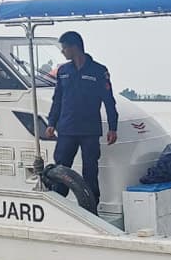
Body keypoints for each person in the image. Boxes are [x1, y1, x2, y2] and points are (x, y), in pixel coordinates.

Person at [44, 31, 118, 202]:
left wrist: (113, 127)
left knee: (90, 170)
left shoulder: (99, 71)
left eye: (64, 48)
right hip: (66, 129)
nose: (62, 52)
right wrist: (51, 123)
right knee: (61, 169)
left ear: (74, 47)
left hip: (89, 130)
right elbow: (57, 100)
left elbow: (109, 101)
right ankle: (58, 202)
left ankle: (91, 205)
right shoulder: (63, 71)